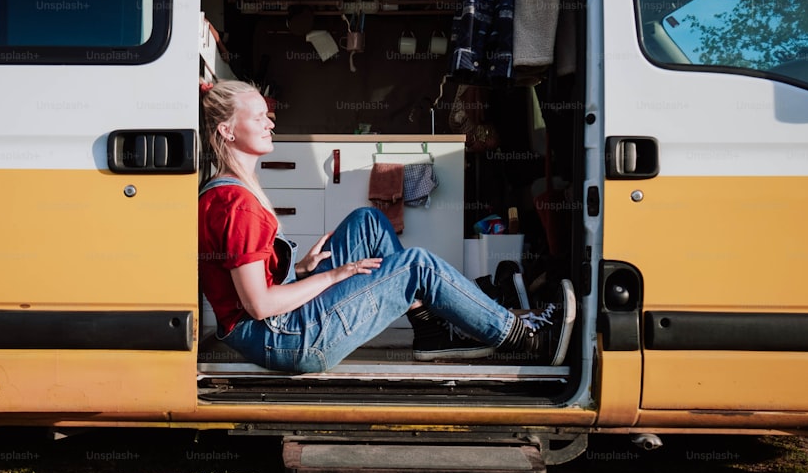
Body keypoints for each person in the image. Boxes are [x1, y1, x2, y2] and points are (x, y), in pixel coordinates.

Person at [199, 79, 575, 374]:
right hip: (286, 339)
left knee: (369, 223)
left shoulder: (230, 191)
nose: (271, 123)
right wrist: (333, 277)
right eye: (258, 118)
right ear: (228, 132)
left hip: (272, 328)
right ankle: (522, 338)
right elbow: (260, 305)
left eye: (269, 114)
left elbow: (246, 283)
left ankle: (430, 331)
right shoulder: (237, 204)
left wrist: (300, 270)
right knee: (416, 265)